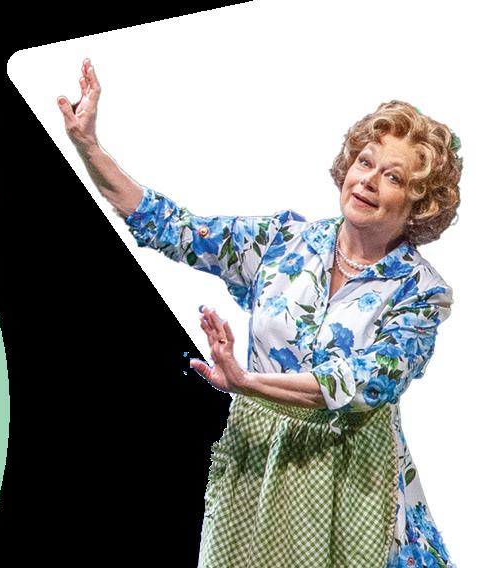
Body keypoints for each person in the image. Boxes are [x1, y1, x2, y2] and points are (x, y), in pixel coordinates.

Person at [58, 59, 460, 567]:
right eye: (364, 162)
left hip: (354, 484)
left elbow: (366, 383)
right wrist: (89, 147)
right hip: (260, 468)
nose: (368, 181)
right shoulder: (282, 242)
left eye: (393, 176)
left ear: (418, 204)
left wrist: (247, 383)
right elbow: (174, 229)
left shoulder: (421, 291)